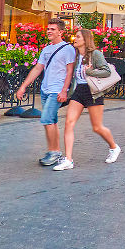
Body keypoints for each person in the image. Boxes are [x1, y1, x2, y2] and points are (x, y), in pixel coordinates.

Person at [54, 29, 120, 171]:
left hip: (93, 92)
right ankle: (68, 160)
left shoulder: (95, 54)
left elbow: (106, 71)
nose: (74, 39)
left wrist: (90, 71)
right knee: (68, 123)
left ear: (85, 39)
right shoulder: (76, 55)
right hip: (79, 91)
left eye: (78, 37)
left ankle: (114, 147)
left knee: (97, 127)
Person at [16, 19, 77, 167]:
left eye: (53, 29)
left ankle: (54, 152)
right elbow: (38, 68)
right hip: (45, 89)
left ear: (61, 32)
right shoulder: (46, 49)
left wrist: (64, 90)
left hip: (57, 90)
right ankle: (55, 151)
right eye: (48, 29)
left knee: (46, 119)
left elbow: (70, 71)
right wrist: (23, 86)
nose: (49, 31)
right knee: (52, 121)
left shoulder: (67, 49)